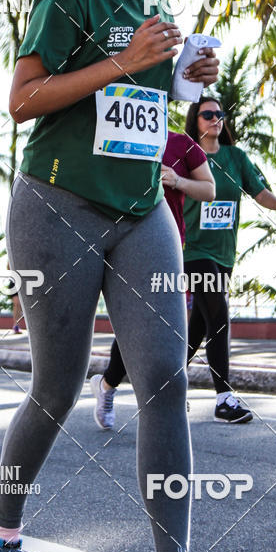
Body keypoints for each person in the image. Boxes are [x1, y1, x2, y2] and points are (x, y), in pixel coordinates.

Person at [0, 0, 227, 552]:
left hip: (141, 209)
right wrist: (124, 60)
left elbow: (140, 115)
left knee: (167, 381)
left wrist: (186, 79)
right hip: (58, 205)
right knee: (54, 388)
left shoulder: (158, 12)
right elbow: (23, 101)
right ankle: (0, 532)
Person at [89, 129, 215, 430]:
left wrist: (177, 181)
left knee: (164, 325)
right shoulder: (116, 133)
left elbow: (209, 190)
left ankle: (112, 386)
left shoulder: (182, 144)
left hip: (169, 247)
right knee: (133, 322)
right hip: (120, 242)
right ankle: (110, 386)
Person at [184, 96, 276, 424]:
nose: (215, 118)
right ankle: (224, 399)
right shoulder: (186, 154)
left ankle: (165, 383)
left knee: (198, 330)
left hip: (224, 254)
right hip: (192, 252)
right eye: (207, 114)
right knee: (219, 314)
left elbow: (260, 194)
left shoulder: (236, 157)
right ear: (196, 120)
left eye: (219, 114)